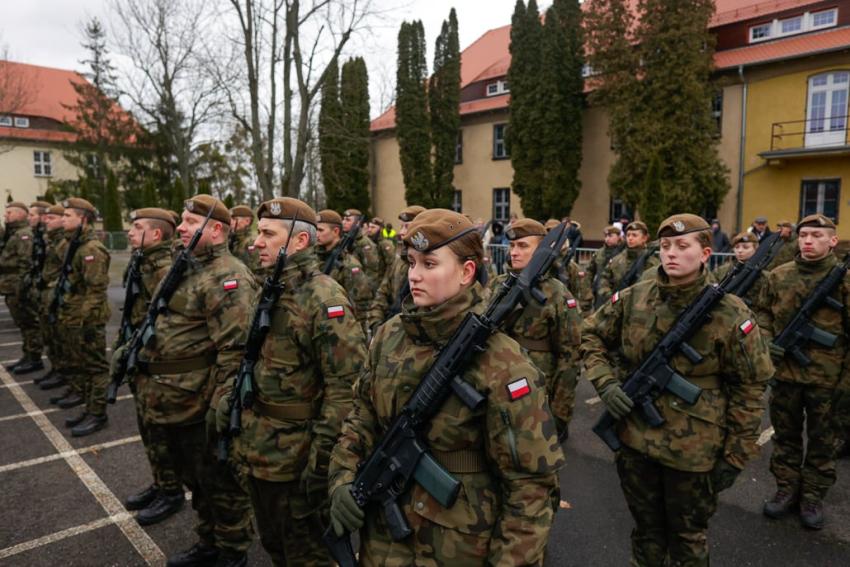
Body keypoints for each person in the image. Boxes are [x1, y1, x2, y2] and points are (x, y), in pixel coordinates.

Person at [328, 209, 564, 565]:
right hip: (383, 548)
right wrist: (342, 479)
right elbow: (360, 419)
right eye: (411, 263)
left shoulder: (503, 362)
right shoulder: (390, 336)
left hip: (458, 551)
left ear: (467, 272)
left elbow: (530, 490)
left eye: (429, 264)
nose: (415, 276)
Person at [581, 213, 773, 566]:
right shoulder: (634, 297)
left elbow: (749, 387)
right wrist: (605, 382)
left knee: (688, 540)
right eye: (666, 246)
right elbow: (590, 334)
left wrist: (736, 454)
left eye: (683, 246)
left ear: (704, 254)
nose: (671, 254)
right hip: (636, 441)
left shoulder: (730, 311)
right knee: (646, 531)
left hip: (695, 451)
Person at [218, 197, 366, 566]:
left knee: (308, 554)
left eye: (268, 233)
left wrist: (321, 464)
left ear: (299, 242)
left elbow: (345, 391)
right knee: (275, 543)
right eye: (258, 232)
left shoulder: (324, 299)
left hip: (297, 458)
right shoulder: (270, 288)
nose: (256, 242)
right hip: (262, 448)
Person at [130, 195, 256, 567]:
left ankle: (232, 553)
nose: (180, 228)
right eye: (181, 221)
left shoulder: (228, 276)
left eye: (188, 222)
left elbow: (236, 351)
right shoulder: (186, 266)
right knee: (197, 485)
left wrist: (222, 404)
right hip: (172, 400)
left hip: (200, 404)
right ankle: (209, 542)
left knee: (220, 485)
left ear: (215, 230)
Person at [761, 214, 850, 530]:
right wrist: (767, 341)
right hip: (785, 375)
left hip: (828, 381)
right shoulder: (779, 276)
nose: (808, 240)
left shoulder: (844, 280)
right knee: (785, 437)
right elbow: (761, 314)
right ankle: (786, 488)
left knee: (823, 441)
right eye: (803, 235)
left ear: (833, 241)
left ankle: (812, 496)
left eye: (816, 235)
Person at [119, 208, 186, 526]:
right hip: (141, 359)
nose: (130, 232)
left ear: (156, 234)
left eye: (137, 227)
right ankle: (161, 483)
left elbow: (170, 325)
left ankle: (172, 492)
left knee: (160, 432)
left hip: (157, 363)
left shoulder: (165, 269)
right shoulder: (142, 261)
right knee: (147, 428)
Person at [491, 218, 582, 441]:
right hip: (497, 390)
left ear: (542, 250)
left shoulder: (558, 295)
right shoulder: (497, 285)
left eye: (523, 246)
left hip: (538, 395)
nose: (514, 252)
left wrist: (560, 413)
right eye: (512, 246)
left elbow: (569, 359)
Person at [57, 198, 112, 437]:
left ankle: (98, 414)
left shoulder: (91, 249)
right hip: (75, 315)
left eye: (68, 216)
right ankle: (89, 408)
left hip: (87, 319)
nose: (62, 219)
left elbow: (96, 290)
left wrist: (86, 321)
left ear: (83, 219)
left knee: (96, 367)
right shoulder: (75, 244)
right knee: (84, 365)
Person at [365, 205, 426, 332]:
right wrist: (377, 324)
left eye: (407, 226)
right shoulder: (398, 262)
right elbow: (382, 293)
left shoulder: (427, 265)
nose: (402, 232)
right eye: (401, 226)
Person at [0, 201, 44, 374]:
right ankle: (28, 356)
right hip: (12, 287)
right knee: (23, 325)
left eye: (9, 212)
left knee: (30, 324)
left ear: (20, 214)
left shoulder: (24, 234)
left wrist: (23, 288)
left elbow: (26, 264)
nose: (5, 215)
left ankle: (34, 359)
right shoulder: (14, 233)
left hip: (19, 287)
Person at [315, 209, 373, 329]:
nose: (316, 234)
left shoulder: (349, 265)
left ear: (336, 231)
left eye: (320, 230)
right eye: (315, 229)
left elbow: (361, 306)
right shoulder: (313, 259)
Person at [34, 204, 68, 391]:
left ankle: (62, 372)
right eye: (46, 218)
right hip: (47, 295)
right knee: (50, 337)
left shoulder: (63, 243)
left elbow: (68, 273)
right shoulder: (51, 240)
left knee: (60, 339)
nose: (46, 221)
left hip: (56, 295)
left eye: (52, 218)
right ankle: (56, 369)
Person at [710, 232, 771, 325]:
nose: (740, 251)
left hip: (751, 322)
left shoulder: (765, 276)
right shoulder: (722, 271)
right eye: (737, 247)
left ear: (756, 249)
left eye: (745, 247)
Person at [597, 220, 660, 302]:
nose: (630, 238)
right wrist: (610, 296)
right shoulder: (617, 260)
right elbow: (604, 279)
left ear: (644, 238)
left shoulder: (653, 262)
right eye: (628, 235)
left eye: (634, 235)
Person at [588, 225, 625, 308]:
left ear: (619, 237)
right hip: (599, 291)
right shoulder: (599, 253)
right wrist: (588, 289)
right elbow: (589, 271)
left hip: (616, 291)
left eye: (610, 236)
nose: (607, 239)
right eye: (606, 236)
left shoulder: (624, 253)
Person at [342, 208, 381, 287]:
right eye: (343, 219)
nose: (343, 222)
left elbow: (372, 272)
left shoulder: (365, 243)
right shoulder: (343, 240)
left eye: (348, 220)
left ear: (357, 223)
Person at [229, 205, 260, 272]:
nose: (231, 222)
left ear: (247, 221)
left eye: (234, 219)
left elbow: (257, 269)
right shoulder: (232, 239)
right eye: (230, 219)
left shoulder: (252, 242)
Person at [366, 216, 396, 281]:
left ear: (381, 229)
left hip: (380, 281)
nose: (369, 230)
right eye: (369, 227)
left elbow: (391, 266)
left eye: (373, 227)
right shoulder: (367, 243)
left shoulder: (385, 244)